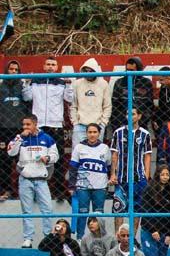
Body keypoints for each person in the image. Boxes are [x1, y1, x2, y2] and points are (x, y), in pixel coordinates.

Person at [21, 56, 72, 199]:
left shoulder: (61, 83)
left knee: (58, 159)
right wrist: (26, 84)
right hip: (40, 127)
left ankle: (60, 191)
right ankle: (38, 192)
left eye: (53, 65)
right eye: (48, 64)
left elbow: (69, 99)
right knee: (37, 159)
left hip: (55, 125)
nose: (50, 67)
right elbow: (27, 97)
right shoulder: (36, 81)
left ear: (57, 68)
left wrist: (69, 85)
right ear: (44, 66)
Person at [8, 114, 58, 248]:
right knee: (26, 210)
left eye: (28, 124)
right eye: (23, 125)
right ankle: (28, 239)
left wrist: (47, 158)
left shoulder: (47, 138)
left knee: (47, 209)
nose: (25, 127)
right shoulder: (20, 138)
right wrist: (20, 137)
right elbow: (11, 152)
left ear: (35, 124)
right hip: (25, 179)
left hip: (41, 180)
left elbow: (55, 155)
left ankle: (48, 238)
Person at [108, 106, 153, 220]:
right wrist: (113, 174)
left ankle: (132, 237)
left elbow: (147, 156)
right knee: (118, 210)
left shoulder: (145, 134)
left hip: (138, 179)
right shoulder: (118, 133)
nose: (130, 116)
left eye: (133, 114)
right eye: (128, 114)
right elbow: (114, 155)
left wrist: (146, 176)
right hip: (122, 178)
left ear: (139, 116)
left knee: (137, 212)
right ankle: (120, 238)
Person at [69, 123, 111, 237]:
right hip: (83, 187)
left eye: (94, 132)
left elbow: (109, 167)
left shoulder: (105, 148)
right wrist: (71, 186)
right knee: (82, 214)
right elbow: (73, 168)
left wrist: (110, 182)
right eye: (89, 132)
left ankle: (100, 238)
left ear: (99, 133)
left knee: (99, 215)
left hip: (100, 187)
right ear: (86, 133)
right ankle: (80, 238)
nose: (92, 135)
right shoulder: (79, 147)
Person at [1, 60, 30, 202]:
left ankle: (23, 191)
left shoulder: (22, 87)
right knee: (4, 162)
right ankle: (6, 190)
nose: (13, 72)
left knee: (22, 160)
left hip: (19, 130)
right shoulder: (1, 86)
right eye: (11, 69)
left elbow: (28, 104)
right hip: (3, 129)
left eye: (16, 70)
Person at [109, 57, 154, 142]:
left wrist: (141, 120)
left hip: (141, 123)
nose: (129, 72)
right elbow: (115, 105)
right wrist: (120, 122)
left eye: (132, 70)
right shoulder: (119, 83)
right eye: (127, 70)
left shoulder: (146, 83)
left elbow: (149, 105)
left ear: (139, 69)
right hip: (122, 123)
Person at [71, 58, 110, 145]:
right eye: (86, 70)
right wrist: (75, 122)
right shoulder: (77, 84)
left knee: (96, 152)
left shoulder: (103, 84)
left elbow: (107, 106)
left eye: (91, 71)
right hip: (80, 125)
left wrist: (103, 123)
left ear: (95, 70)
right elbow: (73, 105)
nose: (88, 73)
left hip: (97, 125)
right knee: (78, 152)